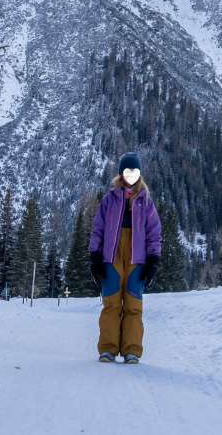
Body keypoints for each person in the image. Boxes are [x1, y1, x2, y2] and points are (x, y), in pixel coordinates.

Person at [88, 151, 162, 364]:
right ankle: (108, 349)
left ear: (139, 174)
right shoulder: (109, 200)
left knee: (133, 305)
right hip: (111, 256)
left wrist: (153, 260)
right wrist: (95, 256)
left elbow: (154, 233)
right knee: (111, 303)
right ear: (121, 173)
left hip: (137, 259)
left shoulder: (145, 202)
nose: (131, 175)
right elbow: (98, 229)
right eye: (127, 171)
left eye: (135, 171)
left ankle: (131, 350)